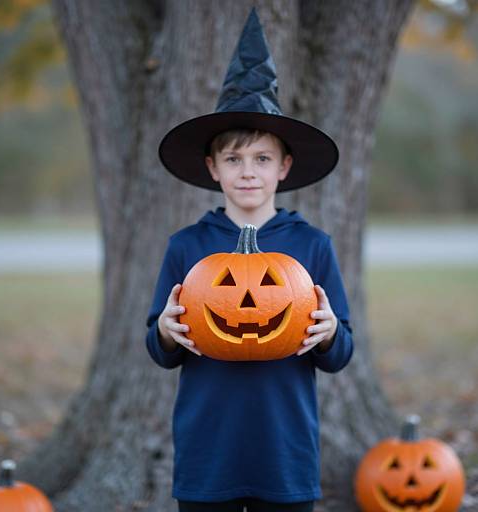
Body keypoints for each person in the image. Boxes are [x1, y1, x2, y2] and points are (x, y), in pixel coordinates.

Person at [145, 8, 353, 512]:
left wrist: (328, 334)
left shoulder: (311, 245)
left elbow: (341, 351)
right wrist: (167, 332)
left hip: (285, 450)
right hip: (207, 449)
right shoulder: (187, 245)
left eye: (261, 159)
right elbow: (159, 344)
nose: (248, 172)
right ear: (213, 168)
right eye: (234, 159)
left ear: (284, 166)